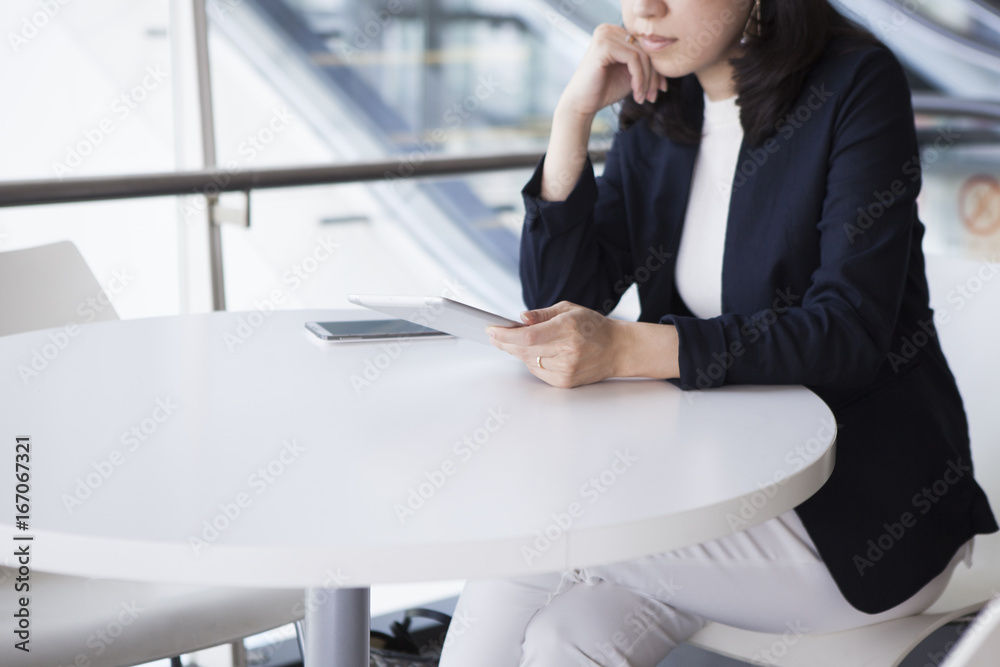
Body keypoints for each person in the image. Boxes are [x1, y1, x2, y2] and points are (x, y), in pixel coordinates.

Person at [436, 0, 999, 665]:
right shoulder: (662, 101)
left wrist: (628, 347)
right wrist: (573, 118)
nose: (645, 7)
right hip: (709, 486)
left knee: (529, 546)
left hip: (853, 518)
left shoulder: (855, 84)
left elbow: (847, 331)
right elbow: (565, 302)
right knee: (569, 636)